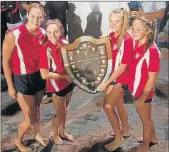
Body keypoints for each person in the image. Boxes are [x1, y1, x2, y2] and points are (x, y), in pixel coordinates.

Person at [2, 3, 49, 152]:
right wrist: (10, 85)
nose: (36, 19)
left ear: (43, 18)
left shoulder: (43, 33)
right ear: (27, 15)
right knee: (30, 117)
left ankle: (37, 134)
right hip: (22, 79)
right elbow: (6, 61)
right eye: (33, 15)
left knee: (37, 109)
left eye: (39, 16)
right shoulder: (13, 34)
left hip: (39, 77)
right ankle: (18, 140)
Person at [99, 8, 133, 151]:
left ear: (124, 21)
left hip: (122, 77)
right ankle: (125, 131)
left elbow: (123, 66)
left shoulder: (127, 38)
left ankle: (118, 138)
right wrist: (103, 41)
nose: (113, 24)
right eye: (111, 21)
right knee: (119, 104)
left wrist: (107, 82)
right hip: (115, 75)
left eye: (117, 21)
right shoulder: (112, 35)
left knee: (107, 106)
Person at [39, 19, 75, 145]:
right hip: (57, 86)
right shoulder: (45, 50)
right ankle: (55, 135)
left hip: (69, 83)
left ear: (61, 31)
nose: (52, 35)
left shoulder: (65, 41)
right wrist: (64, 76)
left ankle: (62, 132)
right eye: (49, 32)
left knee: (64, 111)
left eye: (55, 32)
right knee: (59, 114)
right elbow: (44, 74)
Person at [129, 17, 160, 152]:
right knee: (145, 115)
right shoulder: (137, 42)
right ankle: (153, 138)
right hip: (136, 90)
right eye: (133, 29)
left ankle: (146, 146)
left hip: (144, 92)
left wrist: (142, 97)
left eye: (138, 29)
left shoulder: (151, 51)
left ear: (147, 31)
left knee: (145, 119)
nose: (134, 32)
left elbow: (152, 79)